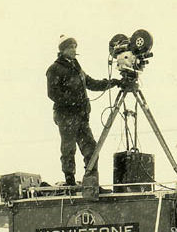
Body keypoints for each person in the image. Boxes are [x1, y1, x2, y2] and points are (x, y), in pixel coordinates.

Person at [46, 35, 121, 186]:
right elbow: (52, 93)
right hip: (66, 116)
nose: (74, 49)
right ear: (63, 50)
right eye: (71, 47)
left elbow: (92, 84)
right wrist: (72, 101)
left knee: (91, 148)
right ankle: (70, 181)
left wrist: (112, 82)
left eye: (75, 46)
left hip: (81, 116)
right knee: (68, 148)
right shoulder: (55, 69)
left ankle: (90, 181)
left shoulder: (77, 68)